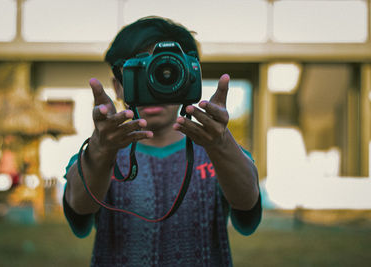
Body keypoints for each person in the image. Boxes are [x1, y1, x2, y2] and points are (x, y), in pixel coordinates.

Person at [63, 16, 262, 266]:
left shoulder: (217, 148)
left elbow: (248, 205)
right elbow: (79, 208)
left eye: (165, 71)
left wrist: (221, 144)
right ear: (119, 85)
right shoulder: (99, 150)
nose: (153, 84)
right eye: (141, 71)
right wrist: (102, 151)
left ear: (189, 77)